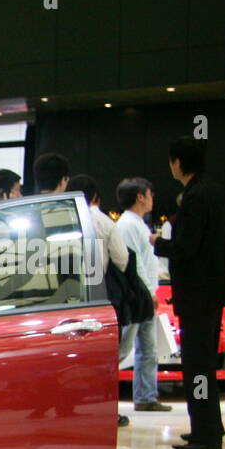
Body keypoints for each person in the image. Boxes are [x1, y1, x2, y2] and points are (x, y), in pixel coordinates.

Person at [152, 138, 225, 449]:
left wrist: (157, 244)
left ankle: (206, 433)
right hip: (212, 291)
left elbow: (186, 247)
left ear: (178, 163)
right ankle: (208, 426)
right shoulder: (212, 190)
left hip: (199, 293)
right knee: (202, 361)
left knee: (197, 363)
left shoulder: (194, 196)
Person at [67, 174, 132, 427]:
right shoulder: (103, 221)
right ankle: (106, 412)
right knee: (104, 361)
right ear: (95, 196)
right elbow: (122, 259)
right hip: (97, 298)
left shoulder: (58, 219)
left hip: (64, 298)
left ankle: (68, 406)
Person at [115, 177, 168, 412]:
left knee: (148, 347)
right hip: (138, 294)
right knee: (124, 348)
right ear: (140, 196)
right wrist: (148, 291)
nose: (153, 198)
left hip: (144, 292)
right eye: (151, 194)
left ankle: (146, 396)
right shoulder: (128, 225)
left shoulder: (136, 223)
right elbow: (133, 263)